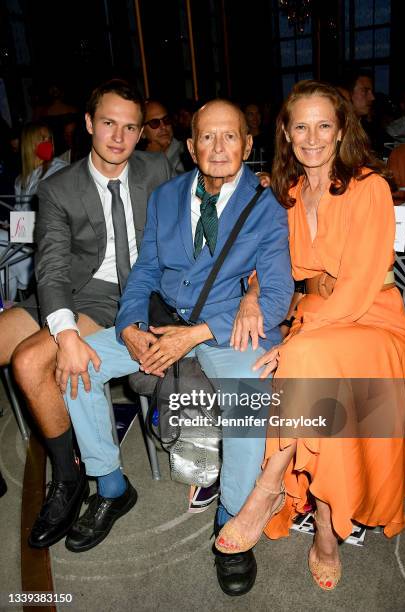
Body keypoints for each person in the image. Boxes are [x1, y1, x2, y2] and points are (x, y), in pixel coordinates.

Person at [56, 99, 293, 592]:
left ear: (249, 145)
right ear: (191, 146)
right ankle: (112, 483)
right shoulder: (166, 196)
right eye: (207, 136)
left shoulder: (268, 205)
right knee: (79, 359)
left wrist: (199, 333)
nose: (219, 147)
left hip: (225, 328)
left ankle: (231, 515)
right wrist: (129, 326)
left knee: (249, 396)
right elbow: (144, 271)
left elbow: (275, 294)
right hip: (162, 320)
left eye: (231, 136)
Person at [214, 80, 405, 591]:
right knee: (312, 365)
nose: (313, 137)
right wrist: (254, 295)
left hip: (373, 318)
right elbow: (269, 265)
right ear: (286, 132)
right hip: (316, 321)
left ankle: (268, 486)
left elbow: (363, 284)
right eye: (300, 125)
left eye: (324, 124)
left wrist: (291, 342)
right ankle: (324, 529)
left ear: (342, 129)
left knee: (303, 356)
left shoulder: (371, 186)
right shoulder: (288, 195)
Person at [9, 78, 173, 549]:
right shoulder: (59, 187)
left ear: (141, 133)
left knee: (28, 362)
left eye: (129, 127)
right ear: (88, 124)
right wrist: (64, 330)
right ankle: (77, 474)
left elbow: (200, 195)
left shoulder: (156, 168)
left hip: (117, 295)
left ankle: (69, 479)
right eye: (108, 124)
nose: (118, 138)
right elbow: (53, 267)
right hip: (66, 288)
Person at [0, 121, 67, 300]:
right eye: (42, 139)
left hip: (43, 246)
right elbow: (19, 218)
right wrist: (9, 224)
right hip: (23, 242)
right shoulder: (21, 179)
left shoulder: (59, 171)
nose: (48, 143)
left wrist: (16, 227)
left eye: (49, 138)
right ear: (30, 144)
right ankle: (6, 309)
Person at [139, 99, 186, 174]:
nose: (163, 127)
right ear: (142, 133)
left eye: (166, 120)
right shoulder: (136, 161)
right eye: (154, 123)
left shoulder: (187, 153)